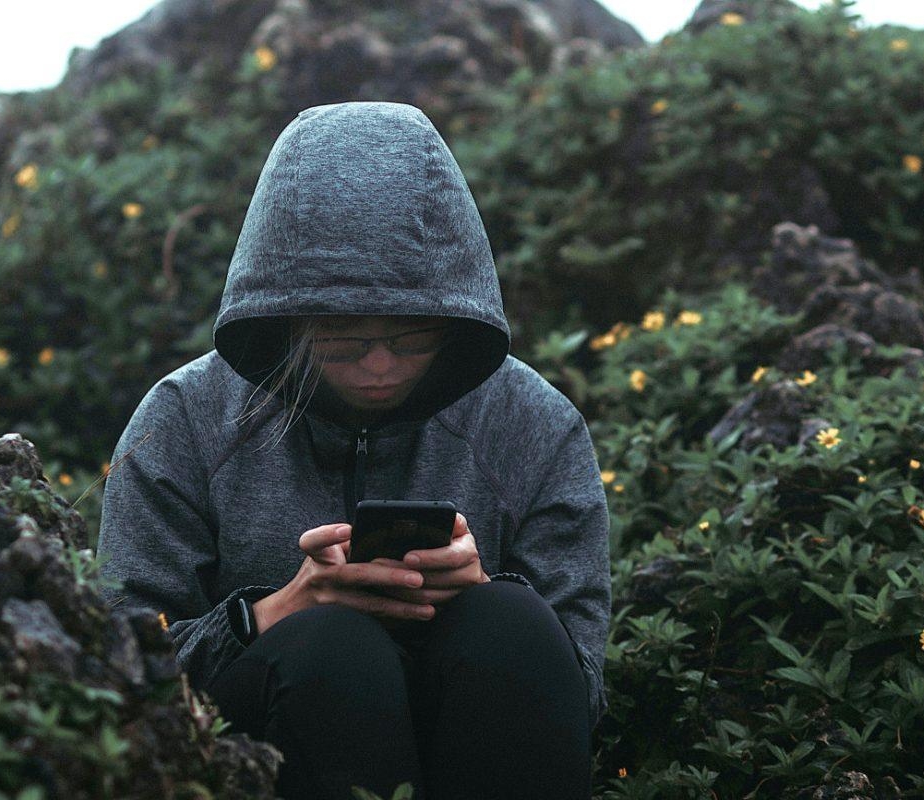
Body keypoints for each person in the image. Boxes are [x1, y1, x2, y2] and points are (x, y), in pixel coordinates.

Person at [97, 101, 611, 800]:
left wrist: (478, 593)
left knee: (511, 623)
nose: (379, 366)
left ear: (455, 321)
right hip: (268, 733)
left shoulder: (532, 424)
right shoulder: (186, 420)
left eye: (411, 338)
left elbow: (582, 686)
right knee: (332, 646)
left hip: (471, 737)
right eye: (341, 340)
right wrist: (272, 614)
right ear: (286, 322)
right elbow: (121, 668)